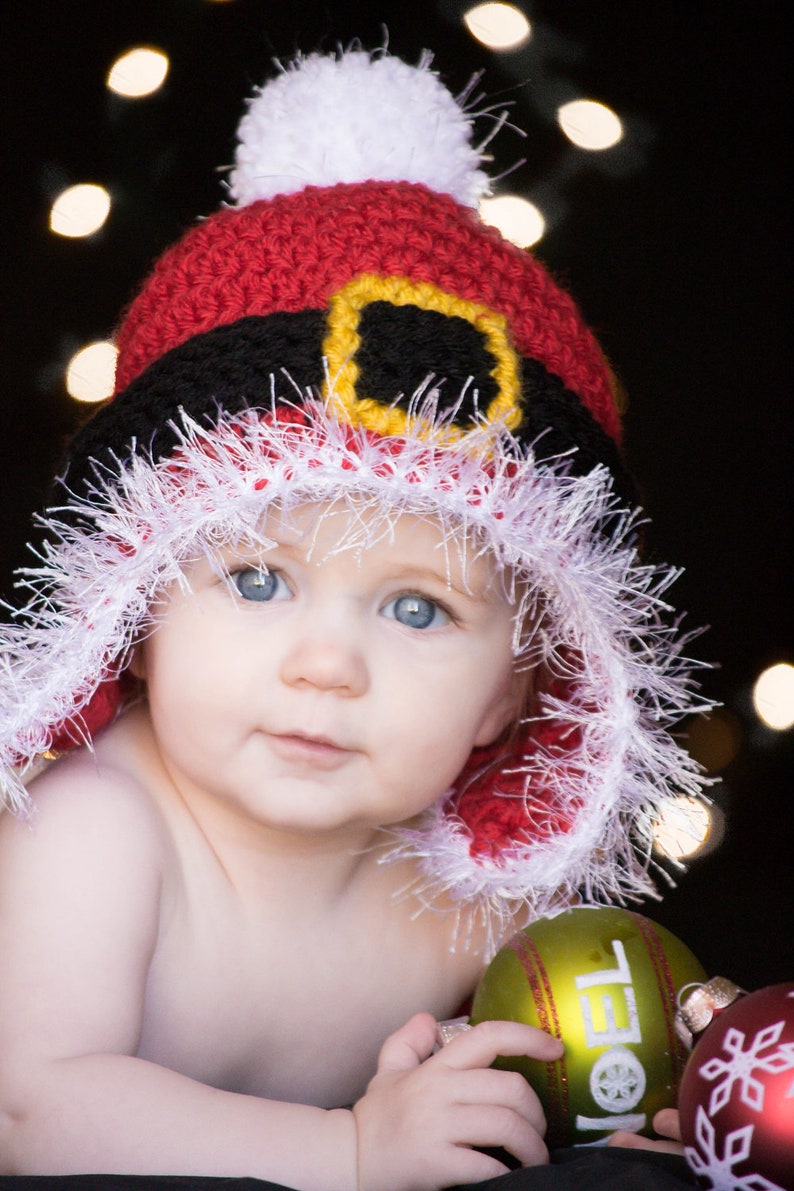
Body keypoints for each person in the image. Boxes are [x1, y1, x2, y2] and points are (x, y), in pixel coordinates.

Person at [0, 49, 705, 1187]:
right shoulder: (95, 830)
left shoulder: (480, 900)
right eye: (260, 581)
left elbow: (562, 1055)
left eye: (418, 609)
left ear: (512, 692)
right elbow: (32, 1110)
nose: (326, 664)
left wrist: (624, 1106)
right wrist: (348, 1149)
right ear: (140, 607)